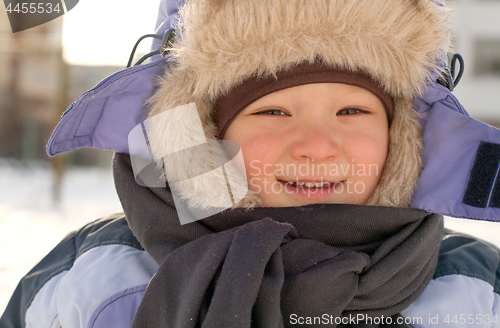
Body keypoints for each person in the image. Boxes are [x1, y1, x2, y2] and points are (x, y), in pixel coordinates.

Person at [2, 0, 500, 327]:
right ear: (201, 136)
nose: (317, 147)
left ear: (402, 141)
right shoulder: (89, 281)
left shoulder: (476, 291)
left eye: (352, 111)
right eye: (273, 111)